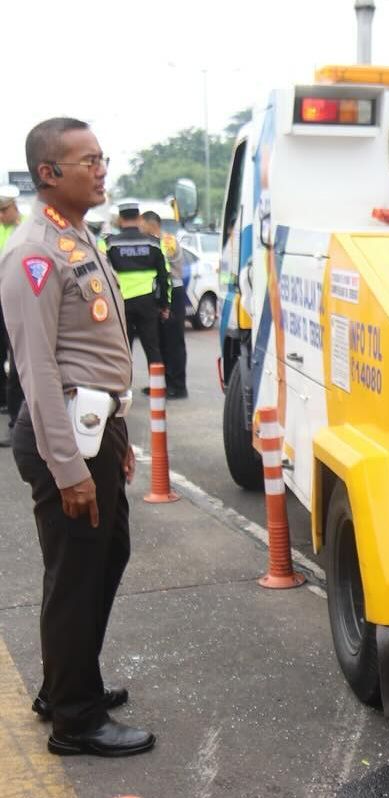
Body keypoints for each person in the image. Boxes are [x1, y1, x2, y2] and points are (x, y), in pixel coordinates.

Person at [1, 116, 154, 756]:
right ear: (47, 173)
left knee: (102, 559)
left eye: (101, 157)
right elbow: (37, 371)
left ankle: (67, 681)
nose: (100, 169)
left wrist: (113, 444)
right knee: (76, 576)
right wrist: (69, 470)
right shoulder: (34, 252)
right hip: (64, 437)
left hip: (97, 430)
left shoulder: (78, 238)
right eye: (85, 160)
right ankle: (75, 720)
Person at [105, 200, 169, 368]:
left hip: (121, 303)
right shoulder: (153, 243)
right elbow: (163, 276)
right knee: (153, 349)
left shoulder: (110, 244)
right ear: (139, 217)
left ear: (120, 219)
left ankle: (124, 390)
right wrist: (164, 305)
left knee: (123, 350)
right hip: (147, 302)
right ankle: (157, 390)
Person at [140, 211, 187, 398]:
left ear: (151, 224)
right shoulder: (151, 241)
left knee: (174, 341)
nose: (140, 229)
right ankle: (161, 384)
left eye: (142, 225)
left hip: (173, 293)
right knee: (159, 341)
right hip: (159, 294)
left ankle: (178, 385)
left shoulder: (167, 241)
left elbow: (160, 266)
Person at [0, 184, 24, 445]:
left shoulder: (27, 227)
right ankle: (16, 424)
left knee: (23, 365)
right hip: (4, 302)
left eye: (2, 211)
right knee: (15, 364)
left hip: (26, 302)